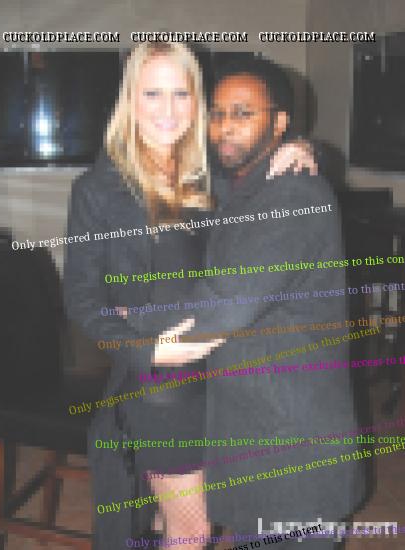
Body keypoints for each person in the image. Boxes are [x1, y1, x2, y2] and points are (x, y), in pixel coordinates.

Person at [63, 44, 314, 550]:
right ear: (130, 100)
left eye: (181, 94)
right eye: (152, 93)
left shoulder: (216, 174)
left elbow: (268, 185)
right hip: (162, 382)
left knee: (175, 518)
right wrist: (148, 351)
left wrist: (302, 148)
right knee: (193, 530)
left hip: (223, 375)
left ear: (198, 101)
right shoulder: (98, 189)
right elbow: (82, 301)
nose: (168, 109)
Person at [128, 56, 367, 549]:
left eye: (243, 113)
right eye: (217, 113)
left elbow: (222, 308)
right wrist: (313, 148)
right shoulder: (240, 188)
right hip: (255, 429)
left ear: (279, 123)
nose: (225, 127)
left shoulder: (292, 194)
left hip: (292, 448)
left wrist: (130, 322)